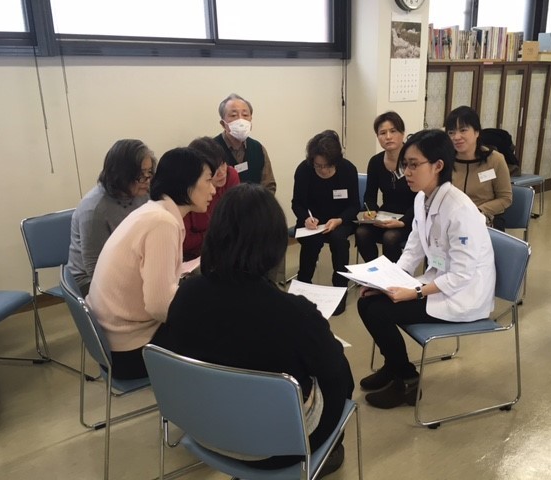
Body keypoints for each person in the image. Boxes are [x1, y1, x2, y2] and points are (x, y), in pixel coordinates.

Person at [159, 183, 353, 474]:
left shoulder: (186, 294)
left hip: (204, 431)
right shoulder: (294, 313)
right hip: (279, 449)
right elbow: (334, 371)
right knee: (339, 371)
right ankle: (329, 452)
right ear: (274, 243)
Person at [357, 129, 496, 409]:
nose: (406, 172)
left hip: (463, 295)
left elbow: (462, 275)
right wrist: (388, 280)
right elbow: (413, 248)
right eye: (405, 165)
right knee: (367, 301)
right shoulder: (422, 198)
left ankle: (407, 380)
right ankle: (394, 366)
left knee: (380, 311)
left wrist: (415, 293)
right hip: (439, 281)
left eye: (413, 165)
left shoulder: (460, 210)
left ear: (438, 166)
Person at [86, 147, 217, 380]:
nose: (213, 190)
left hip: (111, 339)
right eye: (208, 180)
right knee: (221, 326)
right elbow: (159, 305)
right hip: (130, 351)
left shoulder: (153, 211)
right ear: (186, 183)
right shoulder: (162, 223)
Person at [66, 139, 155, 295]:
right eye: (140, 175)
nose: (147, 180)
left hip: (128, 267)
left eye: (149, 172)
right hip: (90, 282)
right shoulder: (94, 210)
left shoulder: (142, 194)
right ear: (122, 175)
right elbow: (95, 269)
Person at [291, 130, 359, 315]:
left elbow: (354, 206)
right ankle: (303, 283)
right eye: (318, 165)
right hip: (312, 222)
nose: (322, 170)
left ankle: (340, 288)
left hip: (340, 219)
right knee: (311, 241)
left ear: (336, 161)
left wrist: (339, 220)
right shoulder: (304, 170)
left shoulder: (348, 170)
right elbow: (297, 203)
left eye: (327, 166)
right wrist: (305, 218)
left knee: (338, 240)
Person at [355, 111, 416, 263]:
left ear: (402, 133)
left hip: (411, 217)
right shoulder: (375, 162)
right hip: (386, 215)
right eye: (382, 133)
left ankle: (394, 275)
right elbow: (370, 195)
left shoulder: (415, 160)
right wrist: (370, 211)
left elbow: (422, 199)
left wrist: (403, 221)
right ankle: (374, 271)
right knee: (362, 233)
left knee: (390, 237)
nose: (388, 137)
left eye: (393, 131)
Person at [444, 106, 512, 230]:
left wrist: (477, 211)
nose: (456, 137)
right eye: (451, 132)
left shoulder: (495, 160)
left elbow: (505, 198)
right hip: (452, 218)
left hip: (486, 218)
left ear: (476, 132)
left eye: (463, 130)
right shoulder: (445, 160)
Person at [183, 136, 240, 261]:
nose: (222, 172)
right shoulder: (186, 190)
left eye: (223, 164)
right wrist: (217, 233)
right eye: (214, 168)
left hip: (225, 249)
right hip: (193, 258)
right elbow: (185, 242)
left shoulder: (230, 175)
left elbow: (235, 222)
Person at [213, 93, 276, 193]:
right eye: (233, 115)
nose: (240, 119)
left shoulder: (258, 148)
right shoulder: (210, 150)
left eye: (245, 115)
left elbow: (269, 185)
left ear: (251, 120)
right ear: (223, 124)